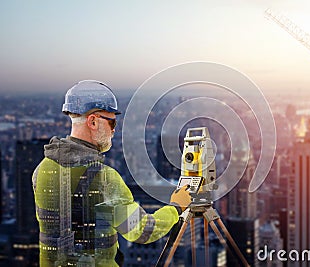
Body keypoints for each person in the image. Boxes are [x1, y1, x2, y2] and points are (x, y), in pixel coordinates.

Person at [32, 80, 191, 267]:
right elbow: (142, 231)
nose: (114, 130)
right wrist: (176, 208)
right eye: (111, 121)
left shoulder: (42, 169)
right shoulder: (104, 178)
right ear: (92, 121)